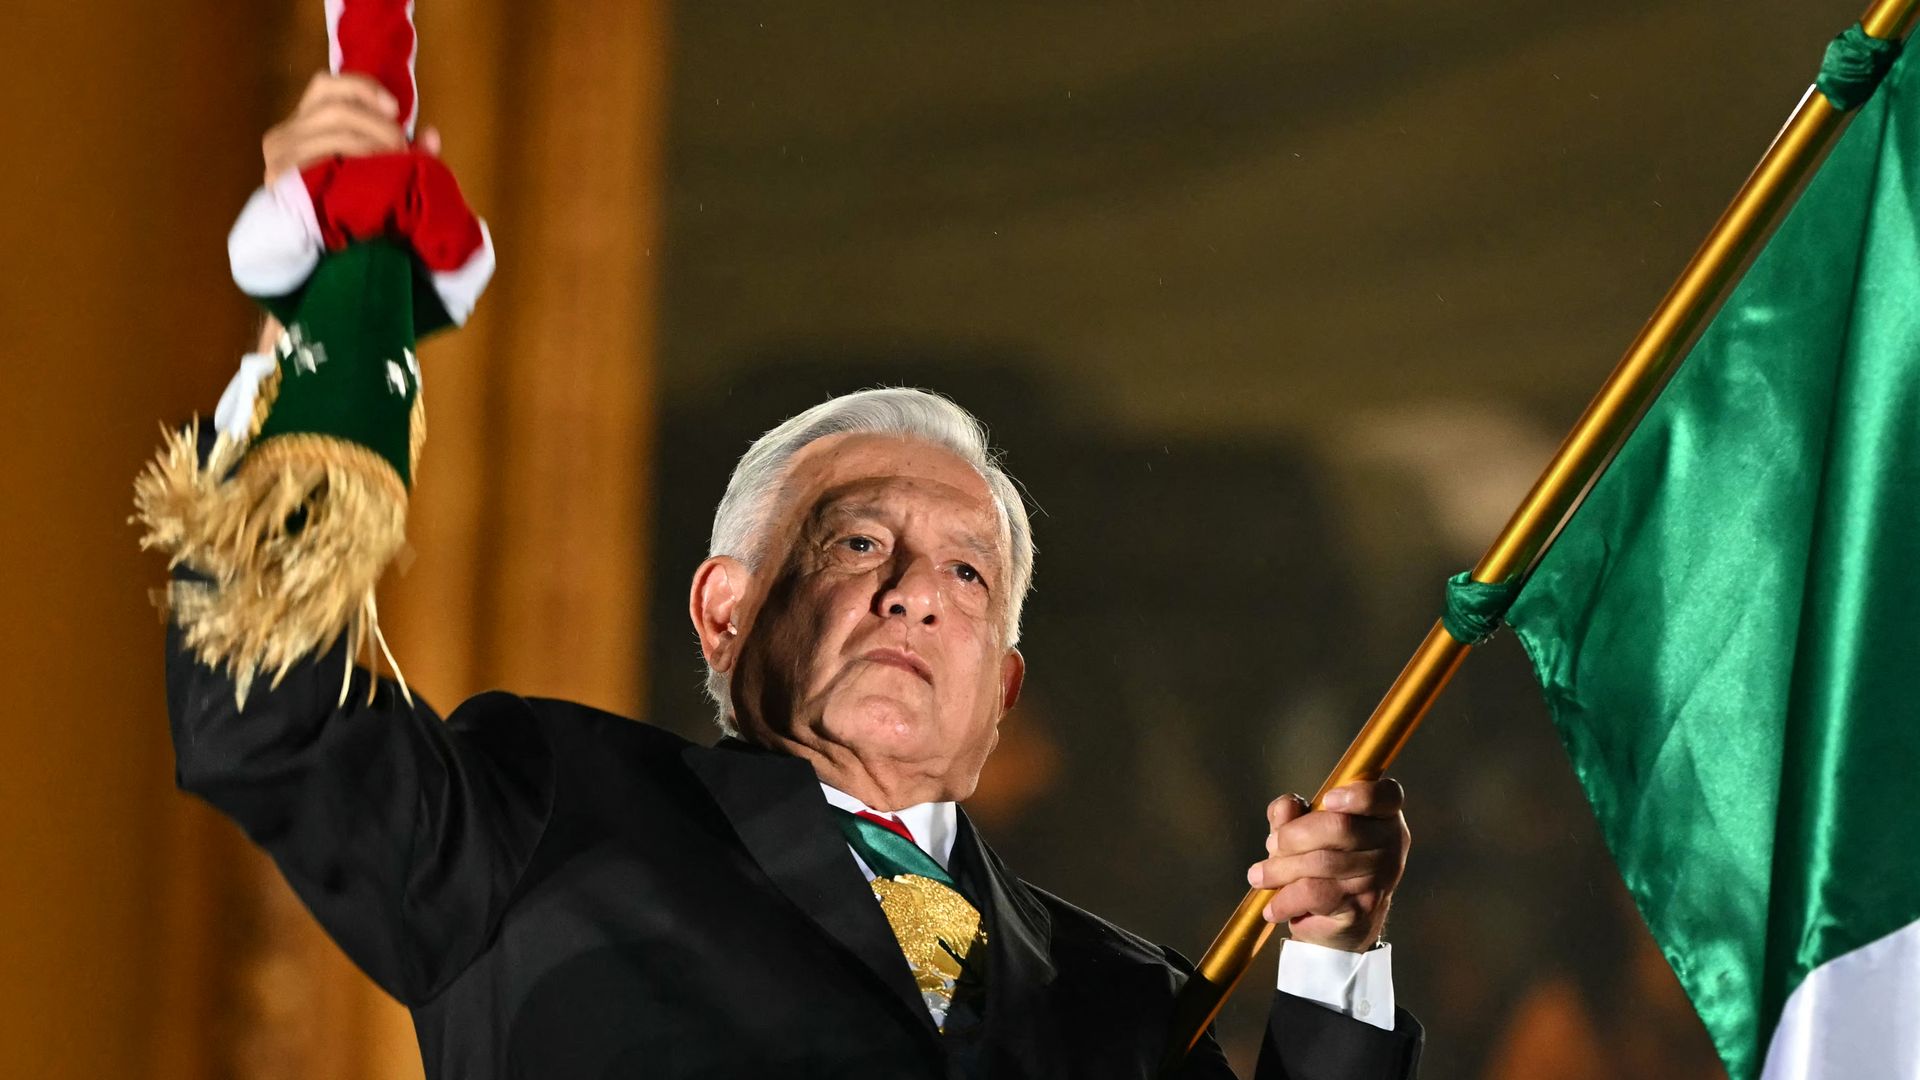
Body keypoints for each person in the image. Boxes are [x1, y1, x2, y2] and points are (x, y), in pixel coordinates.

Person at [165, 74, 1422, 1079]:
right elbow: (267, 720)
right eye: (857, 543)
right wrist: (328, 319)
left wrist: (1334, 961)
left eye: (969, 576)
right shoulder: (552, 817)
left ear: (1005, 692)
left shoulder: (1131, 1000)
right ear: (724, 611)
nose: (916, 592)